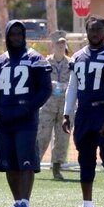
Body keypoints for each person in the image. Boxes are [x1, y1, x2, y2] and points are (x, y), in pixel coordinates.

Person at [0, 20, 53, 207]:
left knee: (26, 162)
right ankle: (17, 203)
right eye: (12, 34)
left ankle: (25, 203)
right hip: (6, 119)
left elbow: (45, 89)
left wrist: (29, 107)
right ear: (7, 36)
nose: (16, 38)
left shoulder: (35, 59)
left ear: (24, 36)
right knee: (9, 163)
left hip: (26, 120)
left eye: (19, 34)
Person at [62, 16, 104, 207]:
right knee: (85, 159)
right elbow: (73, 87)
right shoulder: (78, 56)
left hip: (102, 112)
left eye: (98, 29)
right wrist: (66, 113)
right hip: (84, 114)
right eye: (91, 29)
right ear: (86, 31)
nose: (94, 33)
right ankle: (87, 205)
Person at [38, 31, 71, 181]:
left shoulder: (71, 63)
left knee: (62, 138)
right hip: (47, 105)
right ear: (52, 45)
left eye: (63, 43)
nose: (60, 46)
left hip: (64, 106)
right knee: (42, 135)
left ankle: (56, 168)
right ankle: (34, 165)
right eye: (58, 43)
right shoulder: (45, 63)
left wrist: (67, 86)